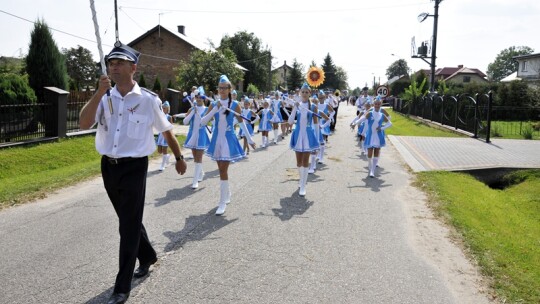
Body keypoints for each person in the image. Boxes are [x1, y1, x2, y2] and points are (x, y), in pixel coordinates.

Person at [79, 44, 187, 304]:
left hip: (134, 168)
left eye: (119, 62)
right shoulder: (104, 97)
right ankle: (148, 255)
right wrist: (98, 93)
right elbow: (83, 123)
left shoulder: (148, 100)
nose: (113, 66)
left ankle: (122, 286)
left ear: (133, 68)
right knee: (129, 219)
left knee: (127, 226)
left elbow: (166, 130)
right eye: (111, 62)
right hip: (109, 166)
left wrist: (179, 157)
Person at [199, 75, 256, 215]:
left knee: (223, 170)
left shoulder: (235, 105)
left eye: (225, 88)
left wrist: (249, 140)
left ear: (230, 89)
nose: (222, 90)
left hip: (228, 140)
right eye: (220, 87)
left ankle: (222, 202)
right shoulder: (213, 104)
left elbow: (241, 123)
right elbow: (202, 122)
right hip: (217, 139)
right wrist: (215, 108)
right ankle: (227, 193)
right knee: (221, 170)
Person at [288, 82, 320, 196]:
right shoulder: (298, 105)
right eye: (303, 92)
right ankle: (301, 180)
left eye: (307, 92)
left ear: (310, 93)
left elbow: (316, 125)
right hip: (297, 135)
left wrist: (317, 143)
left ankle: (303, 185)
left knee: (305, 162)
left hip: (308, 135)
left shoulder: (313, 107)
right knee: (298, 162)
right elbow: (290, 122)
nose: (305, 94)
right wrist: (294, 108)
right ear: (300, 93)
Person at [351, 97, 392, 177]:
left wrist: (382, 128)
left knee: (377, 151)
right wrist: (354, 123)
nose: (377, 105)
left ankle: (372, 170)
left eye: (379, 104)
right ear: (373, 104)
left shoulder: (382, 115)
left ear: (381, 104)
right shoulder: (370, 113)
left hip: (378, 136)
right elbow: (362, 119)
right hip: (370, 135)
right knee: (369, 153)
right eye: (376, 104)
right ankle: (370, 165)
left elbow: (390, 123)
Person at [182, 92, 210, 189]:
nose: (198, 99)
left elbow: (214, 121)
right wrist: (193, 112)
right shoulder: (191, 109)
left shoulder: (207, 110)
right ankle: (201, 173)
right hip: (192, 134)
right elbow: (185, 122)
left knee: (199, 158)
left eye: (201, 98)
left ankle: (195, 180)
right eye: (197, 97)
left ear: (204, 99)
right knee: (195, 157)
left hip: (201, 135)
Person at [156, 101, 173, 171]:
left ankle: (162, 165)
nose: (163, 109)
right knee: (159, 151)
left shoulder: (169, 117)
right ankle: (167, 156)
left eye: (165, 108)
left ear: (168, 109)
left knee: (164, 149)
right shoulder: (160, 116)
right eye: (162, 108)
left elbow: (171, 126)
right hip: (160, 134)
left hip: (166, 135)